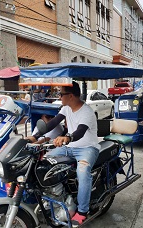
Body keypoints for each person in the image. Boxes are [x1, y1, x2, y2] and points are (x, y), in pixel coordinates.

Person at [33, 81, 100, 226]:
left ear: (70, 96)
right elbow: (53, 122)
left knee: (82, 171)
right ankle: (58, 195)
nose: (59, 96)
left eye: (61, 94)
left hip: (87, 148)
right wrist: (35, 136)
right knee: (45, 160)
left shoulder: (87, 112)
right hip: (69, 147)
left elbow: (80, 132)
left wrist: (67, 137)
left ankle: (82, 211)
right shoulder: (66, 108)